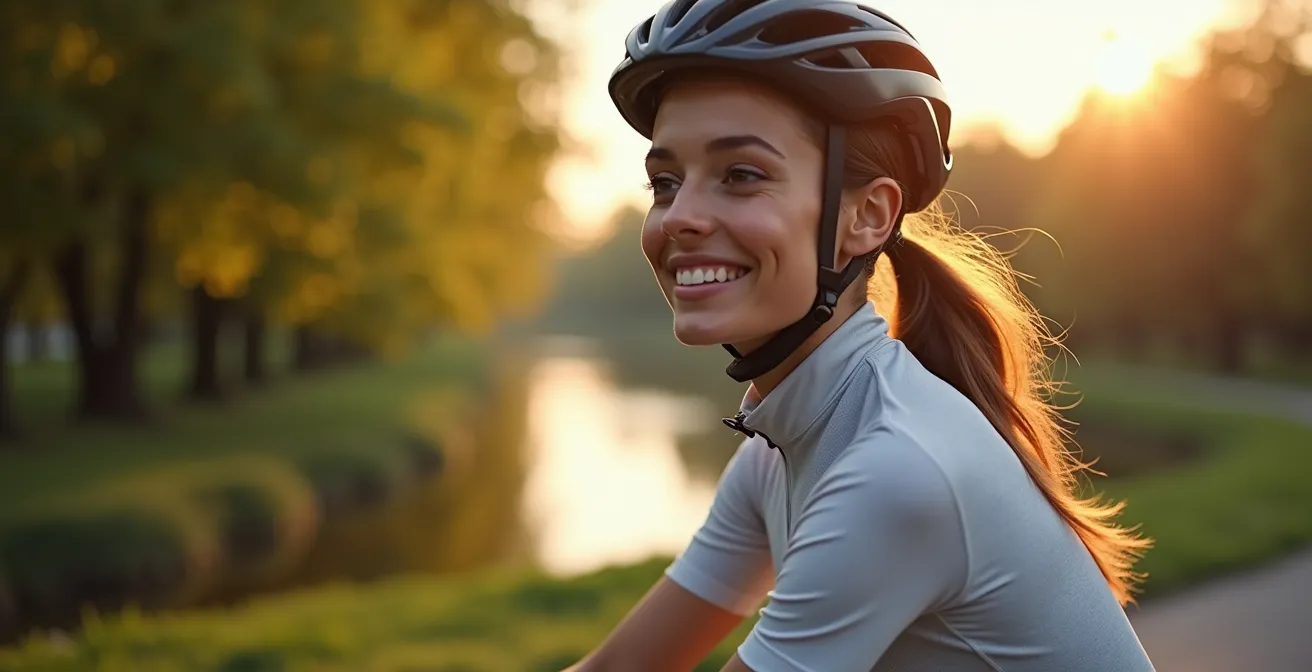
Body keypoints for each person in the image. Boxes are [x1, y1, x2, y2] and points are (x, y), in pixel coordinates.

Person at [568, 1, 1156, 670]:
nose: (681, 216)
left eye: (741, 175)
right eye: (665, 181)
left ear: (868, 217)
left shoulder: (895, 469)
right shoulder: (778, 448)